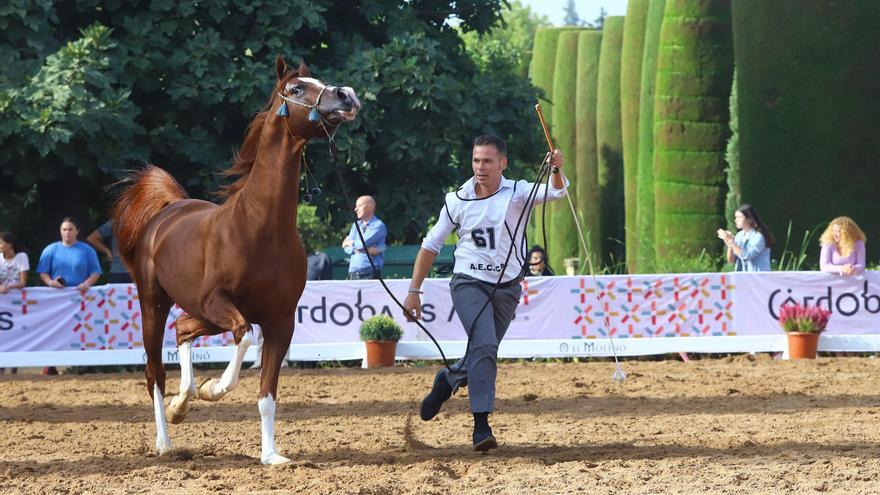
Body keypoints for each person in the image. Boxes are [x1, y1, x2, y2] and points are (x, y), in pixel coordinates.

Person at [403, 135, 568, 451]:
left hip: (507, 288)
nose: (481, 167)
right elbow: (431, 245)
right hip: (468, 283)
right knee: (486, 344)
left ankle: (447, 381)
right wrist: (414, 291)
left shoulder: (519, 191)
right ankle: (481, 426)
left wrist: (556, 169)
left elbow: (558, 191)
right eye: (476, 160)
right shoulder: (457, 199)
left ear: (502, 163)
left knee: (482, 350)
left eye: (488, 161)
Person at [37, 217, 102, 290]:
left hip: (80, 293)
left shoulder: (88, 250)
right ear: (60, 231)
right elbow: (43, 272)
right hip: (56, 294)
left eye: (70, 229)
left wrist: (86, 284)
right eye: (64, 230)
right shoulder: (49, 250)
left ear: (77, 231)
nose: (67, 232)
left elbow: (95, 272)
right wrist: (50, 283)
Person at [0, 232, 27, 375]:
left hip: (17, 301)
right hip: (2, 302)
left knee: (17, 331)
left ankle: (15, 366)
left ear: (9, 244)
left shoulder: (21, 257)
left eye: (1, 243)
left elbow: (23, 282)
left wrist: (9, 287)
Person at [717, 204, 774, 272]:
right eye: (735, 217)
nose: (736, 220)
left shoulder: (759, 236)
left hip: (758, 279)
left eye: (739, 217)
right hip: (743, 278)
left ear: (749, 219)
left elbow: (747, 256)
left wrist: (732, 242)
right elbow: (731, 260)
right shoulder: (739, 235)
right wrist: (729, 243)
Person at [342, 196, 387, 280]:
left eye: (359, 206)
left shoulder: (378, 225)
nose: (356, 209)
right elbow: (346, 248)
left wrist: (351, 243)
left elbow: (362, 243)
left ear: (370, 207)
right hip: (352, 273)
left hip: (370, 274)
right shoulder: (356, 225)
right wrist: (365, 249)